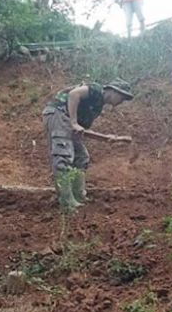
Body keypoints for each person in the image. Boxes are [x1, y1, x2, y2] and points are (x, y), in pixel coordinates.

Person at [42, 79, 134, 212]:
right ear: (113, 91)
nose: (122, 101)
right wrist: (73, 122)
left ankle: (78, 195)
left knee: (81, 157)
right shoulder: (95, 90)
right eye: (122, 97)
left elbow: (81, 131)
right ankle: (66, 201)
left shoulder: (96, 107)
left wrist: (109, 138)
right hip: (58, 113)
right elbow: (74, 94)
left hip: (66, 120)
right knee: (63, 156)